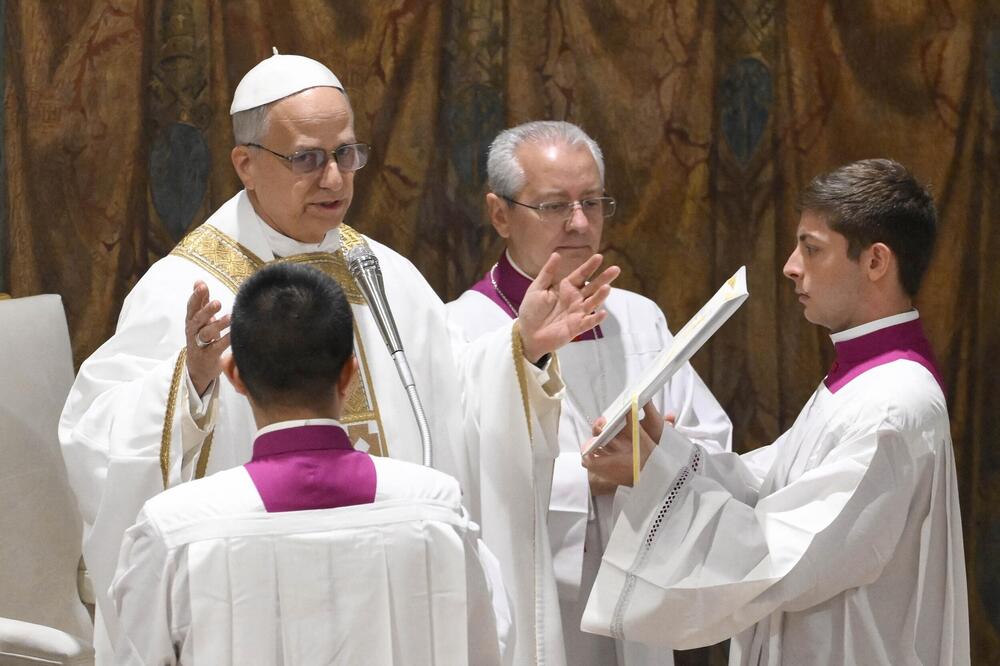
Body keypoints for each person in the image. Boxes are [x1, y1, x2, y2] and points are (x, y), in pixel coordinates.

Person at [60, 53, 618, 665]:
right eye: (307, 158)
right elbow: (96, 441)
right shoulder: (186, 288)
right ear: (246, 164)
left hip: (388, 602)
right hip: (254, 608)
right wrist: (189, 383)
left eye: (346, 154)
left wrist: (523, 350)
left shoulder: (383, 274)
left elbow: (452, 400)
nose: (334, 179)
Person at [580, 159, 970, 665]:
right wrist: (661, 458)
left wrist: (659, 478)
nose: (791, 266)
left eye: (812, 248)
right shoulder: (863, 378)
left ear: (876, 261)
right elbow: (771, 487)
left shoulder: (893, 402)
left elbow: (781, 555)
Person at [111, 263, 511, 665]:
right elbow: (489, 644)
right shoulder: (439, 513)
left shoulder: (176, 533)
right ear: (349, 375)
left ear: (234, 375)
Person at [447, 120, 733, 666]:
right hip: (533, 605)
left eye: (593, 203)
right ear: (500, 214)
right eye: (554, 205)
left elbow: (713, 441)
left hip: (638, 600)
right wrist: (591, 478)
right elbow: (461, 476)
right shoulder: (460, 332)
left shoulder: (639, 319)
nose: (579, 222)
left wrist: (660, 458)